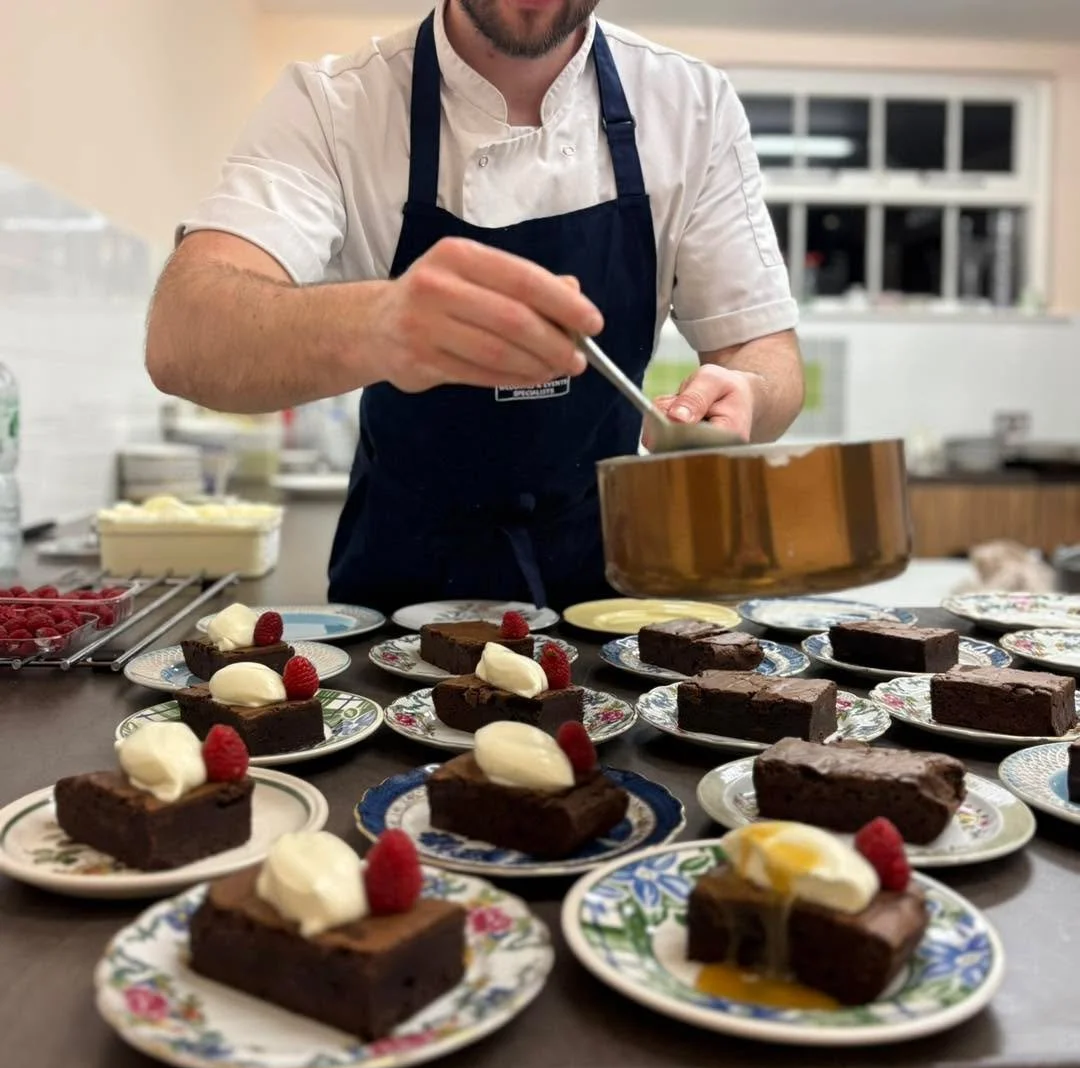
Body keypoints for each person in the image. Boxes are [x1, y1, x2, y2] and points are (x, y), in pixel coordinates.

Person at [146, 0, 805, 613]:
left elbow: (766, 358)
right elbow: (183, 335)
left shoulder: (691, 107)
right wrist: (381, 324)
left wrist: (747, 394)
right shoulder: (333, 105)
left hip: (612, 600)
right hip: (398, 605)